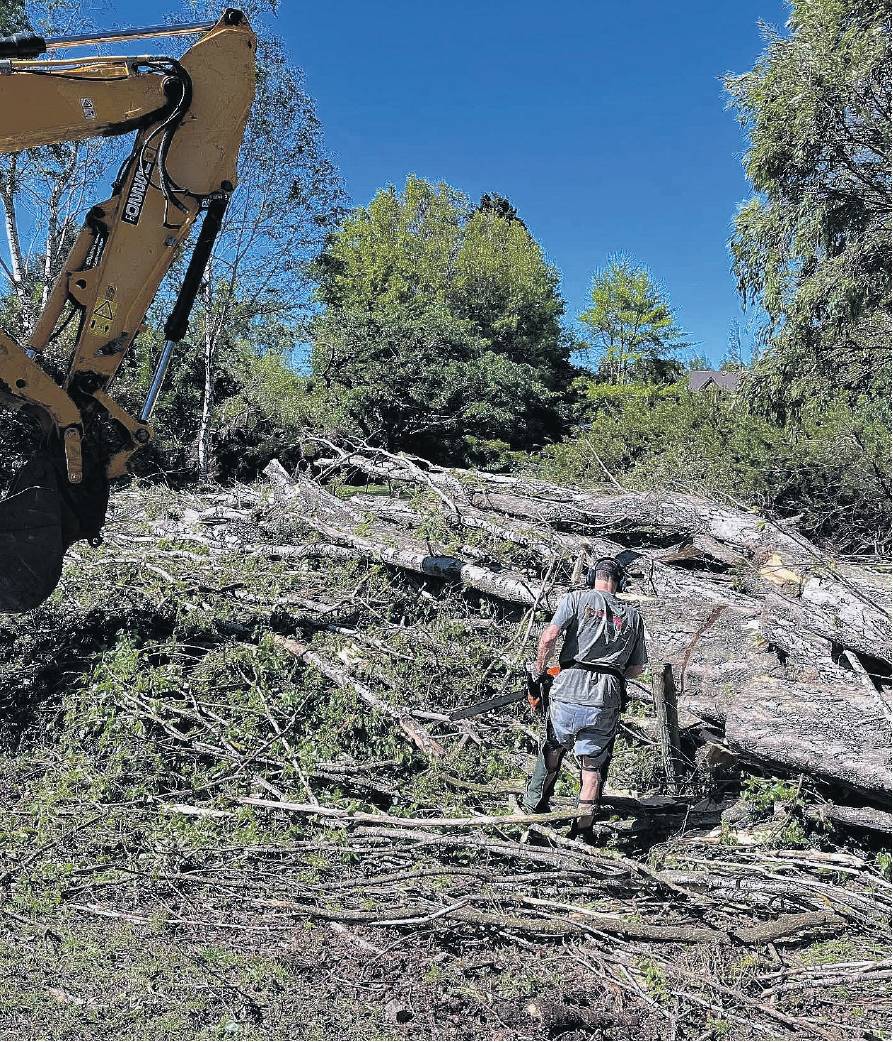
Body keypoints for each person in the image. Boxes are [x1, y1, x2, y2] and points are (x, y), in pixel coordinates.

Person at [522, 557, 647, 831]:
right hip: (606, 696)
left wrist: (540, 671)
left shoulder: (575, 599)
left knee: (553, 749)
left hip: (568, 687)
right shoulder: (633, 616)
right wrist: (611, 673)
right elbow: (637, 668)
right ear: (620, 582)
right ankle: (582, 831)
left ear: (592, 578)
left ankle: (533, 812)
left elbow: (548, 637)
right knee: (592, 769)